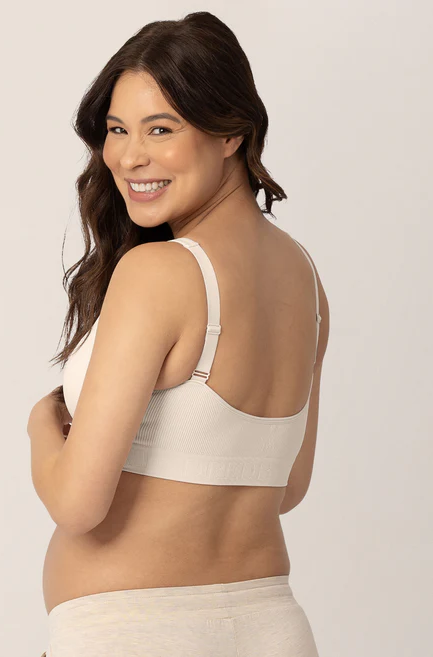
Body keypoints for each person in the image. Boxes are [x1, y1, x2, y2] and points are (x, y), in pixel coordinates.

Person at [28, 10, 329, 657]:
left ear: (231, 132)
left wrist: (39, 424)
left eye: (160, 129)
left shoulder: (160, 272)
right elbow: (287, 486)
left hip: (134, 633)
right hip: (273, 627)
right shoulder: (304, 277)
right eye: (117, 129)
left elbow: (77, 504)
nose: (128, 156)